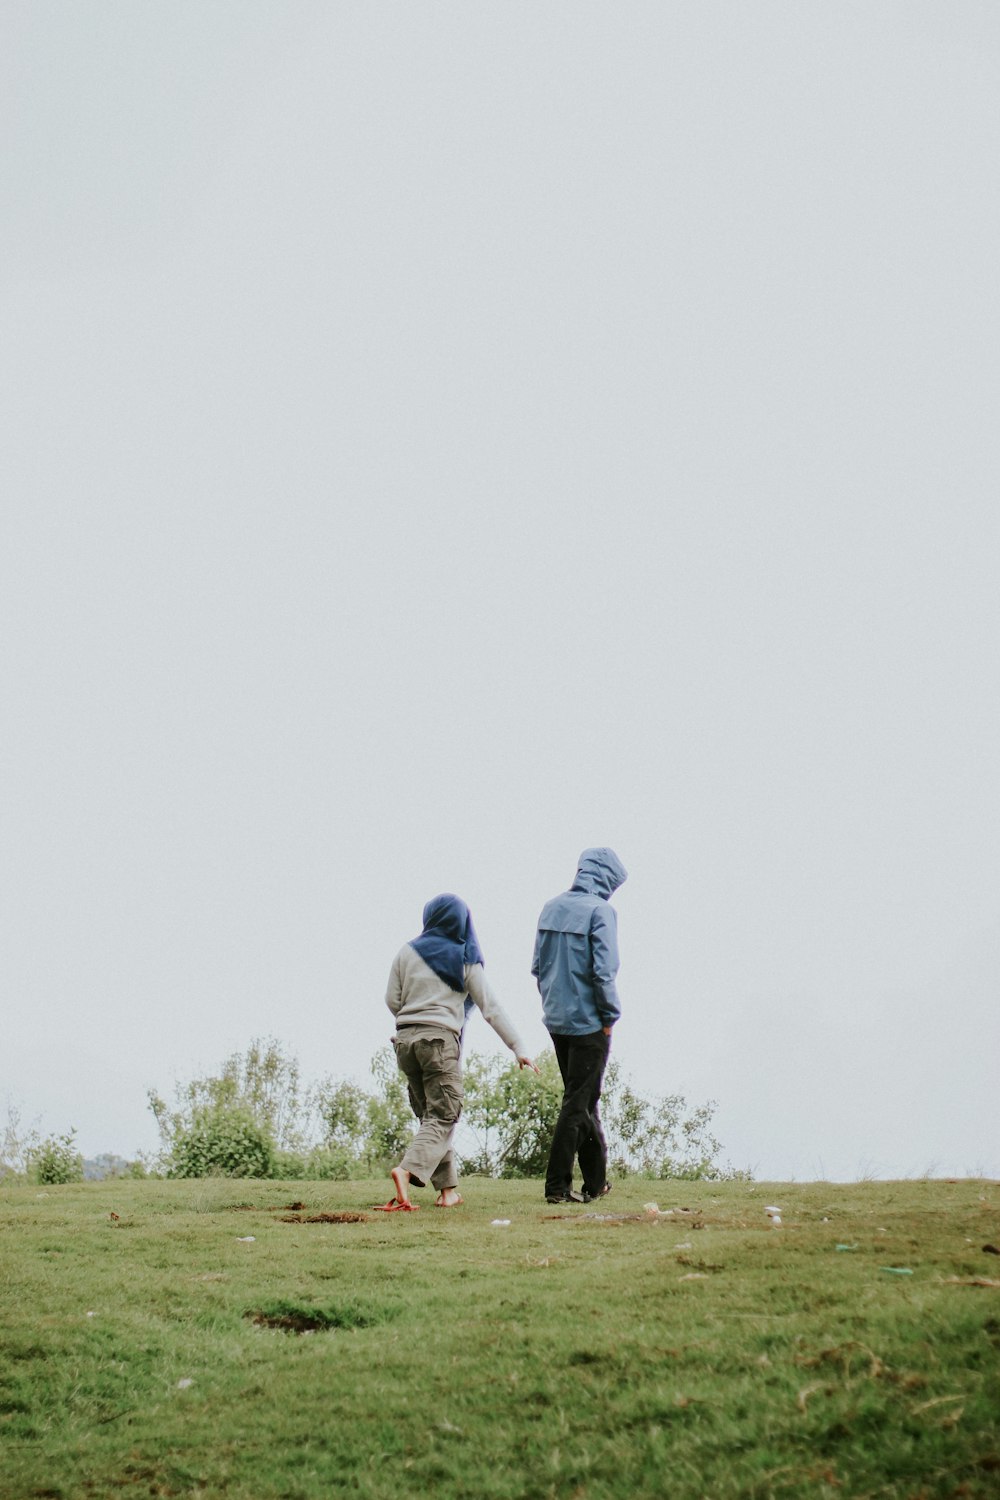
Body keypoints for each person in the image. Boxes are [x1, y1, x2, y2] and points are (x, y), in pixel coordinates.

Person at [378, 893, 537, 1211]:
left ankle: (447, 1191)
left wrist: (413, 1017)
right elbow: (490, 1007)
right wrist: (518, 1048)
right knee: (445, 1114)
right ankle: (406, 1170)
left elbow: (392, 1000)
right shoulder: (464, 956)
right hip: (438, 1042)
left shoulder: (406, 951)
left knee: (431, 1118)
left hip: (405, 1042)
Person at [532, 847, 627, 1205]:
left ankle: (596, 1182)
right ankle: (556, 1187)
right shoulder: (601, 912)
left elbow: (538, 968)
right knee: (577, 1103)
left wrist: (552, 1005)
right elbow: (604, 972)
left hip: (556, 1020)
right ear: (606, 879)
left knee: (586, 1100)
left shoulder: (550, 906)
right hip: (589, 1022)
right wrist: (609, 1018)